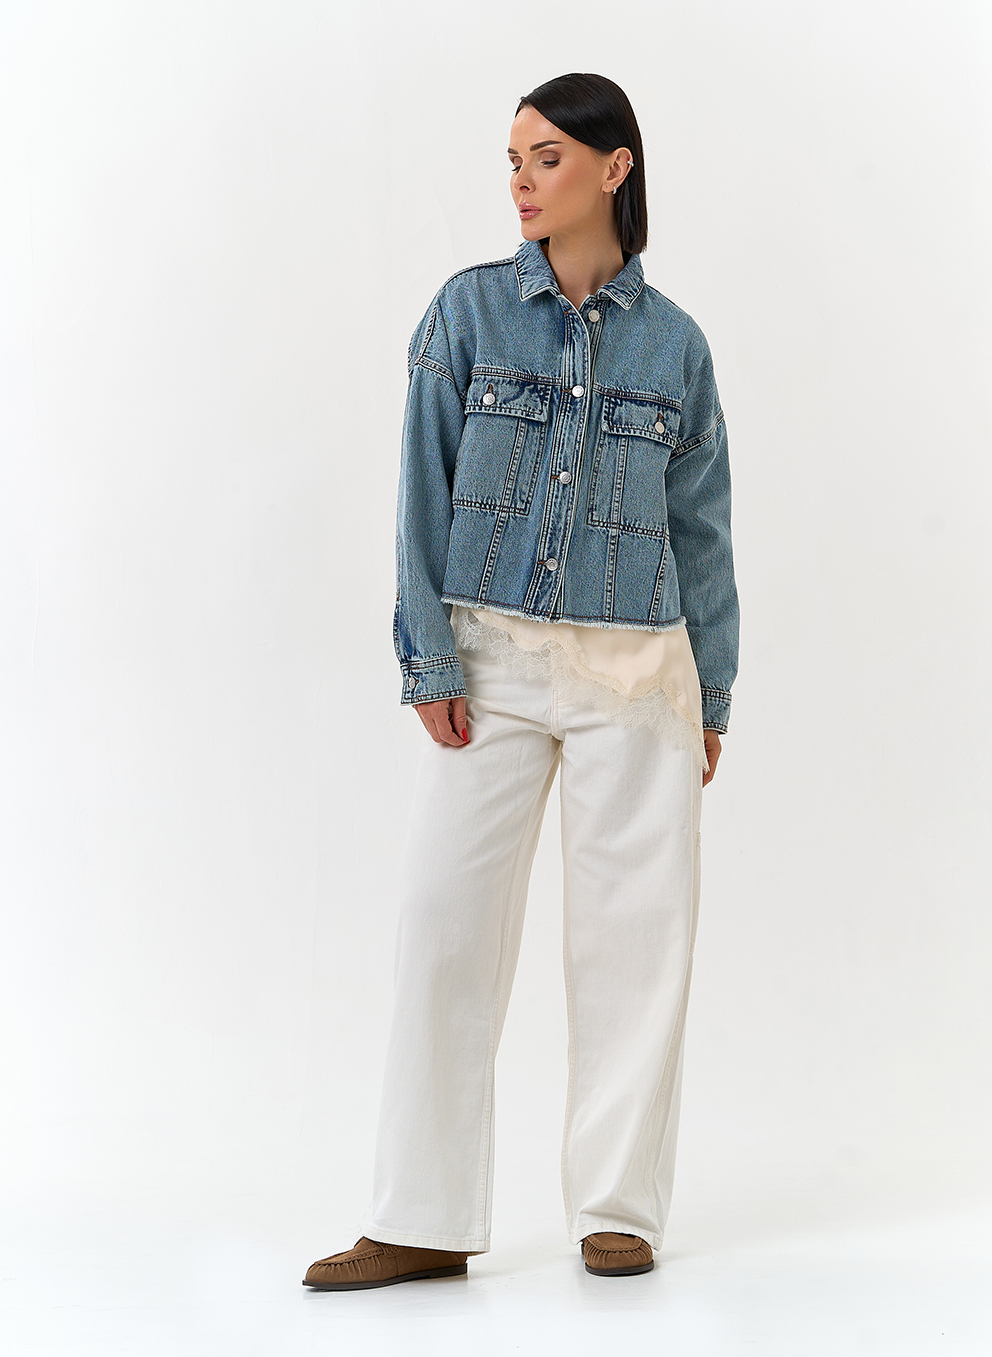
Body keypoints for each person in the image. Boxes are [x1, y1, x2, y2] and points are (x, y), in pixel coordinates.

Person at [303, 71, 739, 1290]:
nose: (520, 182)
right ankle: (420, 1215)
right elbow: (419, 494)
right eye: (511, 160)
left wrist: (709, 694)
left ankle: (616, 1208)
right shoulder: (465, 314)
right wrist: (428, 657)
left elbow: (701, 531)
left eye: (545, 157)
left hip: (637, 671)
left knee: (634, 941)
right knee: (442, 926)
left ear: (613, 167)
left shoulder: (674, 345)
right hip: (489, 664)